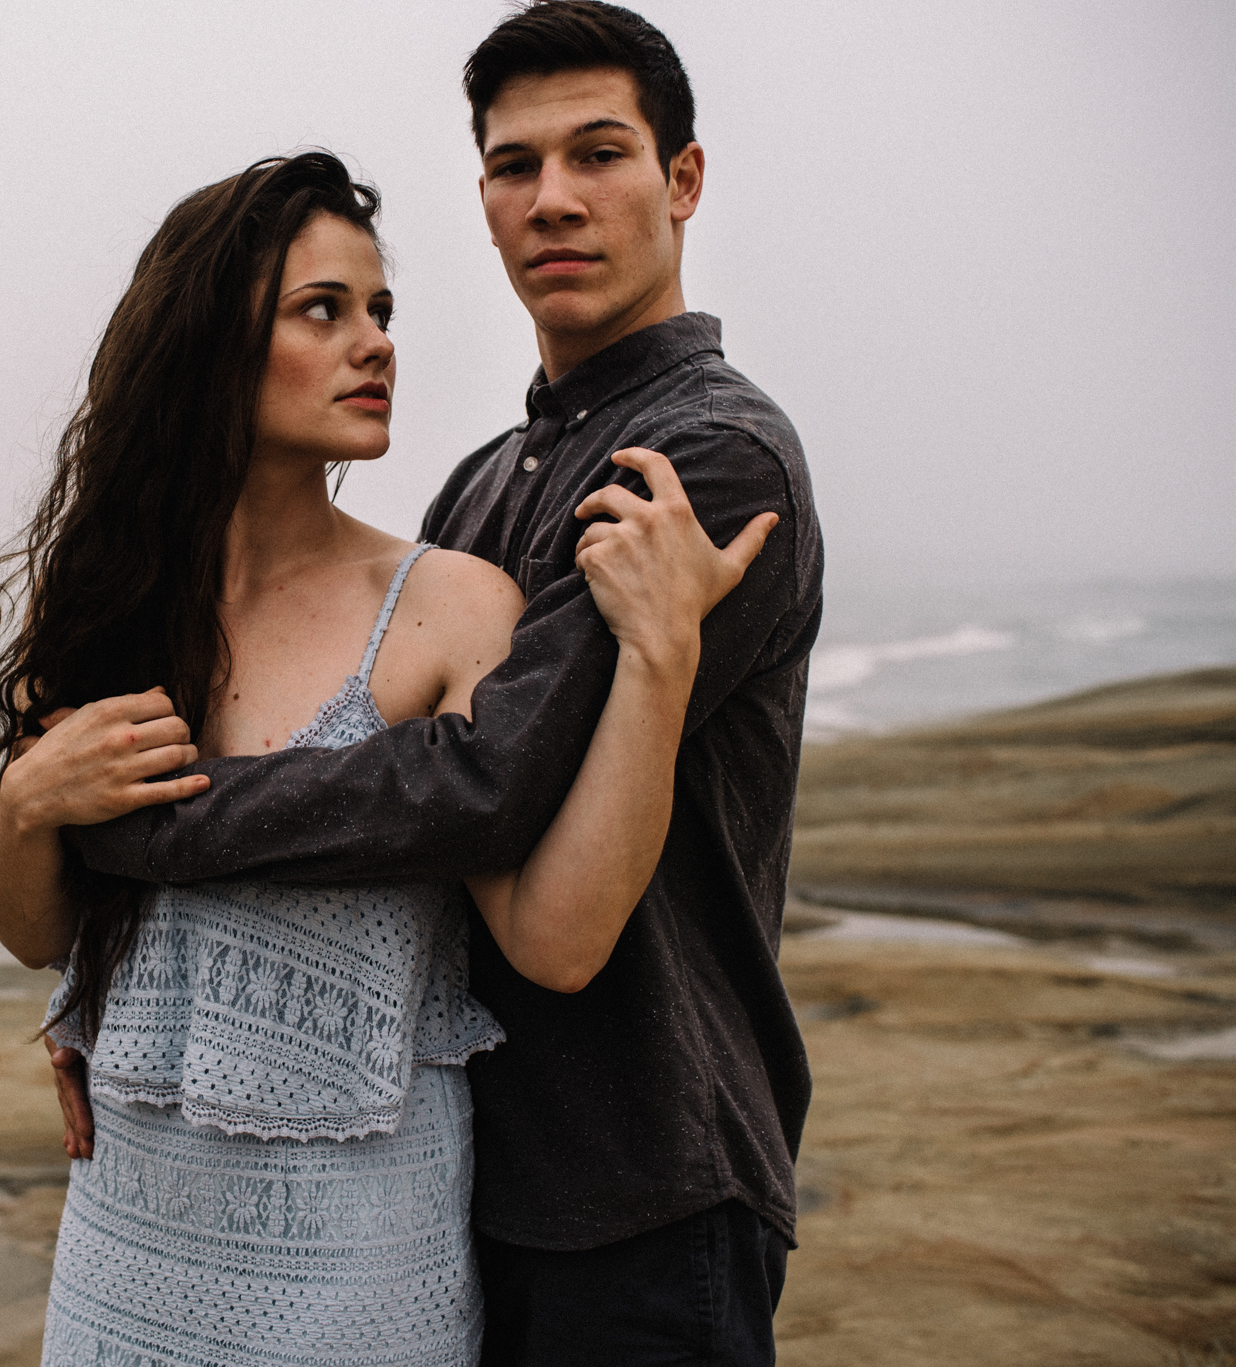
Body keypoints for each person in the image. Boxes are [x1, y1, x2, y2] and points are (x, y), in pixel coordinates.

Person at [50, 4, 826, 1364]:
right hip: (468, 1161)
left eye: (600, 154)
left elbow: (475, 787)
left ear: (683, 181)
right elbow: (375, 766)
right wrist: (117, 996)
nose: (555, 200)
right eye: (516, 167)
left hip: (643, 1171)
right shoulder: (487, 482)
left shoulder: (705, 462)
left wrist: (136, 827)